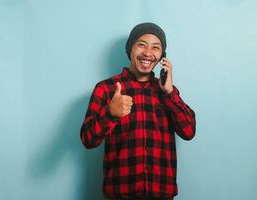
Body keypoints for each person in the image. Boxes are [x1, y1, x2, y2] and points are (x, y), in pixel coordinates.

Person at [80, 22, 196, 200]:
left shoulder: (168, 91)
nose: (148, 53)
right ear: (130, 49)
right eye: (141, 44)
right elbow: (88, 139)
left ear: (162, 56)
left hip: (161, 193)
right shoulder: (106, 89)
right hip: (120, 192)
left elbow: (188, 131)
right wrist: (110, 113)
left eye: (156, 48)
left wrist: (170, 93)